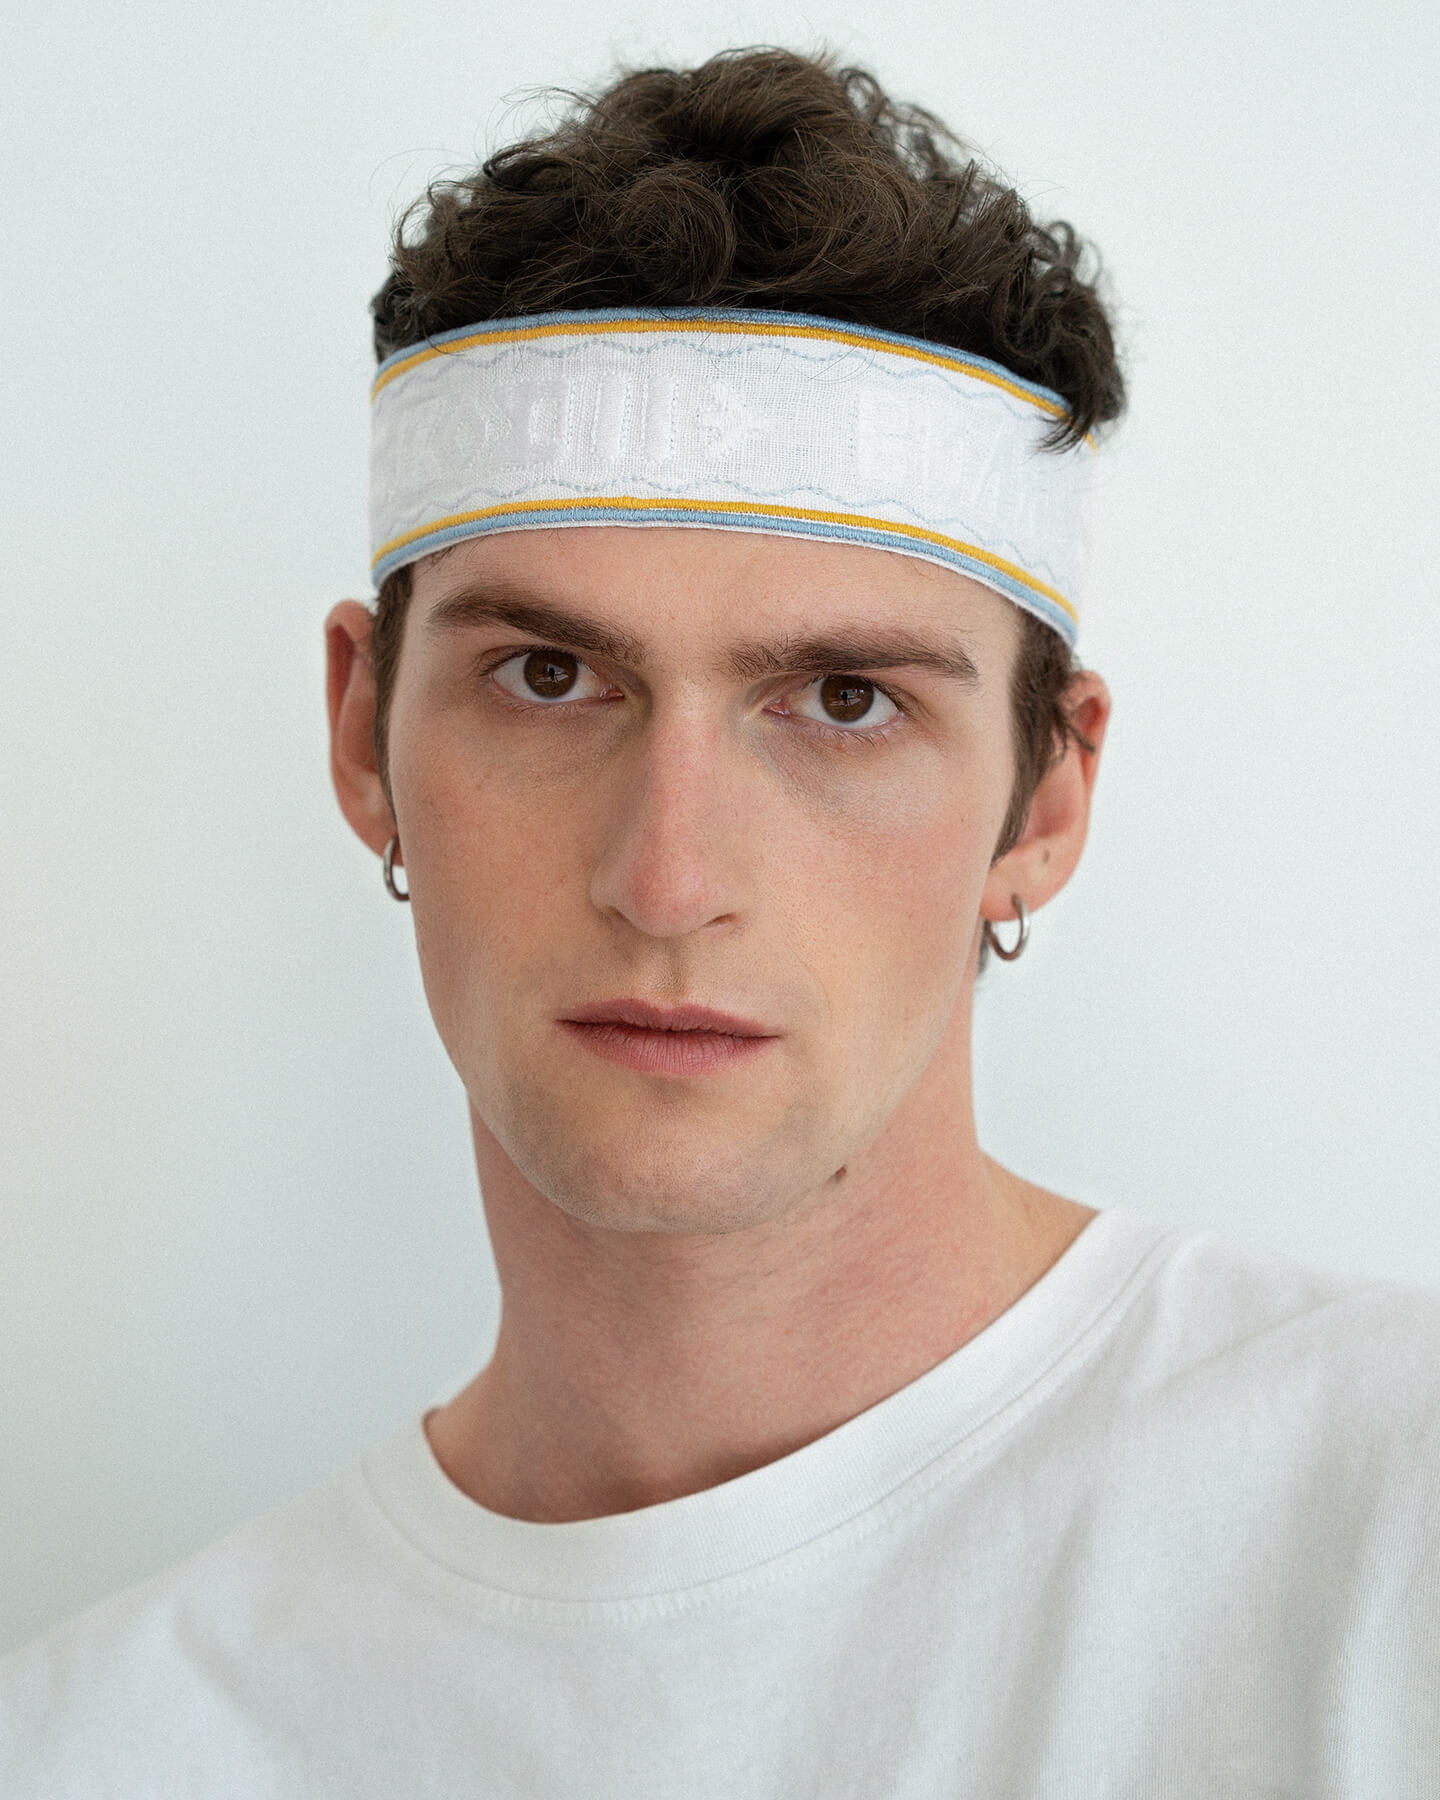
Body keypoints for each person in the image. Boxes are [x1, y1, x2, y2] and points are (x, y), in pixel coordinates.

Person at [3, 45, 1437, 1798]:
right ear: (362, 734)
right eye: (549, 677)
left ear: (1047, 800)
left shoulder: (1390, 1535)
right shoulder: (96, 1747)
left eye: (843, 701)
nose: (669, 879)